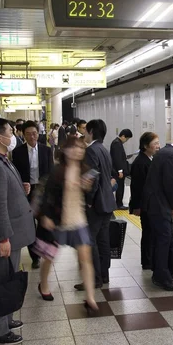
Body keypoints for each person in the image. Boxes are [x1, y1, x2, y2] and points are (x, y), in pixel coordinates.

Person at [0, 118, 35, 345]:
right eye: (10, 132)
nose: (13, 136)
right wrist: (3, 238)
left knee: (8, 276)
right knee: (1, 280)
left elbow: (5, 192)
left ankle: (6, 319)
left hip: (13, 233)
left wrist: (20, 188)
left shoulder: (2, 159)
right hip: (5, 235)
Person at [39, 137, 98, 310]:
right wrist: (46, 216)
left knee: (85, 259)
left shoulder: (86, 170)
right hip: (58, 222)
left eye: (81, 148)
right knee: (49, 257)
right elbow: (47, 197)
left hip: (79, 221)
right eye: (74, 147)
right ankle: (43, 284)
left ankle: (90, 297)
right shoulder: (57, 171)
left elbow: (90, 198)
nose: (78, 151)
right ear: (65, 150)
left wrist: (88, 189)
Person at [142, 136, 173, 291]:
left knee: (159, 239)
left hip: (153, 203)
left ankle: (158, 271)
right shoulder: (172, 155)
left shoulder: (164, 151)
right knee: (164, 239)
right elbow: (169, 183)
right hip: (159, 205)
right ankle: (163, 277)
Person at [74, 119, 116, 290]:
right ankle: (104, 276)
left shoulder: (91, 150)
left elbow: (92, 177)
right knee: (103, 241)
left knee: (90, 242)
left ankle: (94, 279)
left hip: (96, 205)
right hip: (107, 202)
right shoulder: (104, 149)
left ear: (90, 131)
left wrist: (89, 202)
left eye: (85, 131)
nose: (84, 133)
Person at [12, 120, 54, 269]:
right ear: (23, 135)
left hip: (42, 192)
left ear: (38, 133)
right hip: (26, 192)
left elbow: (51, 172)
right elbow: (15, 174)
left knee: (43, 225)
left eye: (34, 133)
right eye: (28, 134)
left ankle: (42, 250)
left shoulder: (46, 150)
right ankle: (34, 257)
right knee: (29, 225)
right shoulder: (17, 152)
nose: (32, 137)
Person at [129, 132, 160, 270]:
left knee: (150, 232)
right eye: (155, 144)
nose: (158, 146)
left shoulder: (149, 159)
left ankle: (150, 259)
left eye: (158, 143)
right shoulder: (141, 163)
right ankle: (147, 261)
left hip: (150, 204)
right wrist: (137, 206)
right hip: (145, 205)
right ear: (146, 146)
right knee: (148, 233)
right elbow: (137, 187)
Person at [110, 129, 133, 209]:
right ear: (123, 136)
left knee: (120, 186)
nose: (126, 141)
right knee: (120, 187)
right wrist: (120, 171)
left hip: (118, 169)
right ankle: (119, 204)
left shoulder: (117, 143)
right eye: (127, 139)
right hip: (118, 170)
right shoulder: (117, 143)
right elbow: (117, 158)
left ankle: (119, 203)